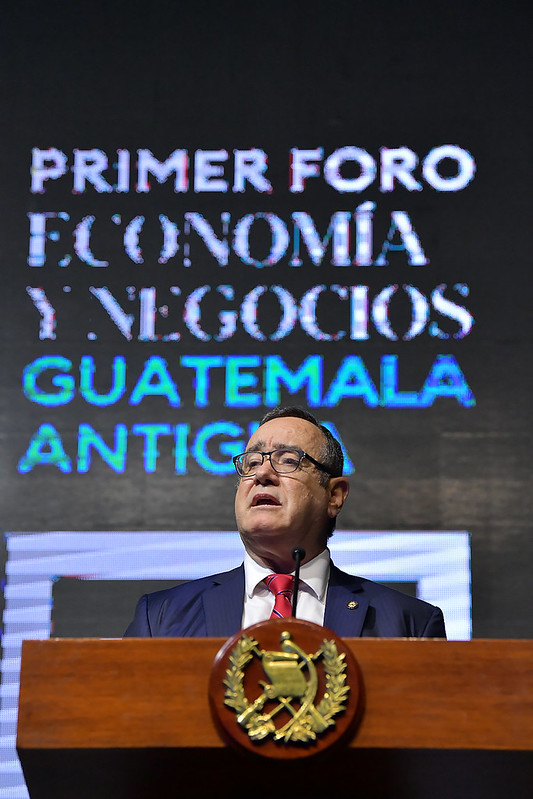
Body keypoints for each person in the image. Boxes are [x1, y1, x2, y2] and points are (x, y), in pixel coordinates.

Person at [124, 406, 446, 638]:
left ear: (334, 495)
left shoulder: (409, 624)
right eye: (251, 462)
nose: (262, 474)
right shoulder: (161, 618)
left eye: (288, 461)